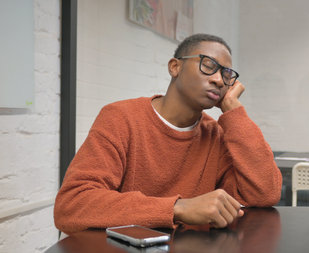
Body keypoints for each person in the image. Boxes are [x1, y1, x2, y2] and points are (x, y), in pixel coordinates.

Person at [54, 33, 282, 234]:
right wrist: (178, 208)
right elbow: (72, 205)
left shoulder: (217, 134)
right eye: (209, 65)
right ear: (175, 67)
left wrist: (234, 113)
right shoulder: (120, 117)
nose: (218, 80)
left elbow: (265, 194)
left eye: (226, 74)